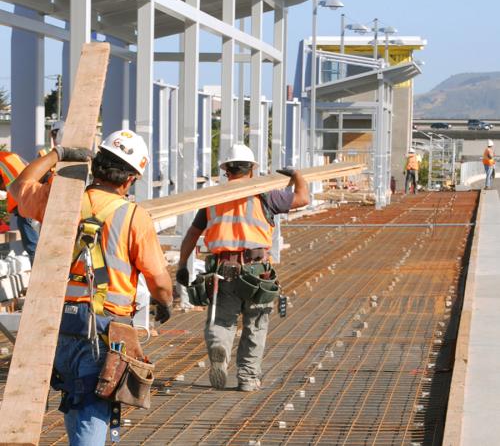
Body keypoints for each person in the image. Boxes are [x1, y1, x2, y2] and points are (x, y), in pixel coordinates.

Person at [9, 129, 174, 445]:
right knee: (91, 413)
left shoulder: (61, 199)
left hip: (58, 325)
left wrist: (58, 154)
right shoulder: (134, 217)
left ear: (96, 165)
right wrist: (164, 301)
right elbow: (159, 281)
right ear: (130, 180)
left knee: (76, 403)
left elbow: (18, 187)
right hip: (105, 332)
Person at [176, 144, 309, 392]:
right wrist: (296, 175)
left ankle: (220, 349)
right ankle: (248, 378)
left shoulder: (213, 198)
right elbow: (303, 198)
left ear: (226, 170)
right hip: (257, 271)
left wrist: (183, 264)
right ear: (252, 170)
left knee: (221, 321)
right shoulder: (265, 194)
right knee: (255, 324)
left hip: (222, 270)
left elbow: (193, 234)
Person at [0, 151, 39, 264]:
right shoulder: (10, 155)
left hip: (23, 202)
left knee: (32, 247)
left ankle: (39, 278)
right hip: (35, 195)